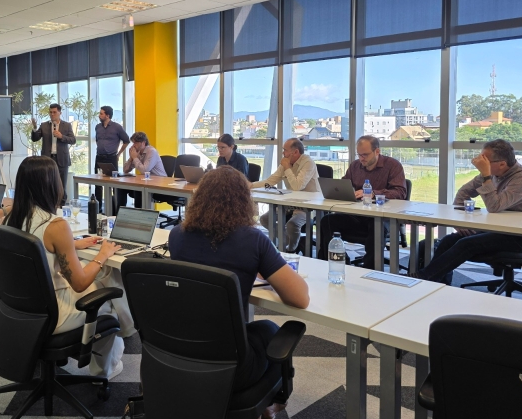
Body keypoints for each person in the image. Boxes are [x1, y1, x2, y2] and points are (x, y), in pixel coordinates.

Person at [169, 166, 309, 419]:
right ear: (244, 202)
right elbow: (300, 298)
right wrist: (263, 266)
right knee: (269, 330)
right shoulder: (253, 240)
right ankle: (272, 404)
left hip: (178, 351)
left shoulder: (177, 235)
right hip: (233, 365)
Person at [5, 156, 129, 380]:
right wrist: (102, 255)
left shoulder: (12, 218)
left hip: (23, 306)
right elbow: (80, 284)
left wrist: (70, 245)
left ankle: (128, 329)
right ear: (52, 184)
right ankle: (104, 369)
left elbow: (40, 248)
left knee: (102, 273)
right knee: (111, 291)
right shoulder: (55, 225)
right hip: (54, 313)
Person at [411, 139, 522, 284]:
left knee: (467, 244)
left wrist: (486, 176)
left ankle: (424, 279)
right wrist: (460, 222)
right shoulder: (493, 173)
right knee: (448, 240)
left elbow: (494, 206)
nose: (478, 162)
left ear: (502, 164)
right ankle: (439, 285)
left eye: (484, 160)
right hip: (497, 230)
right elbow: (464, 192)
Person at [316, 135, 407, 269]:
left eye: (365, 155)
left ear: (377, 151)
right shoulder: (355, 166)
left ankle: (370, 270)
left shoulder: (393, 166)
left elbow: (400, 192)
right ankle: (336, 261)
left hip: (381, 218)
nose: (361, 159)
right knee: (327, 221)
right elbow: (344, 184)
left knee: (376, 227)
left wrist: (373, 193)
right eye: (359, 155)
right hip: (357, 215)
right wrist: (341, 191)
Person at [253, 138, 320, 252]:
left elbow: (297, 186)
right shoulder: (286, 163)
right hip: (290, 202)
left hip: (309, 205)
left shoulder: (308, 163)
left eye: (285, 150)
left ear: (296, 152)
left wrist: (287, 167)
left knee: (292, 224)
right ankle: (291, 242)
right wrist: (250, 185)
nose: (283, 153)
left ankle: (291, 250)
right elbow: (270, 181)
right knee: (265, 219)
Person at [31, 103, 75, 206]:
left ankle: (61, 207)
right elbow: (35, 139)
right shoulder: (44, 125)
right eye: (50, 112)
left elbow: (73, 140)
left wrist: (61, 136)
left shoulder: (67, 125)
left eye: (54, 112)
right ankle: (49, 206)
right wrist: (34, 128)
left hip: (61, 159)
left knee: (61, 185)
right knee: (47, 184)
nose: (52, 114)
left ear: (60, 112)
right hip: (47, 159)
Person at [116, 132, 167, 212]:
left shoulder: (151, 151)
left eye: (135, 142)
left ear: (143, 142)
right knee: (121, 187)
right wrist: (131, 158)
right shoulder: (138, 153)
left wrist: (135, 158)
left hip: (159, 183)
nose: (133, 145)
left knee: (138, 189)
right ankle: (118, 214)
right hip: (146, 182)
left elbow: (144, 170)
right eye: (133, 143)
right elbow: (125, 170)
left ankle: (139, 217)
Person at [94, 105, 129, 209]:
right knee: (98, 182)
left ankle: (115, 207)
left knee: (113, 182)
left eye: (101, 113)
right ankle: (98, 207)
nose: (99, 115)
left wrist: (119, 154)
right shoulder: (98, 127)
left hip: (111, 157)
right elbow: (97, 140)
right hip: (99, 157)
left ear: (107, 115)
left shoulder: (117, 127)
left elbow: (126, 140)